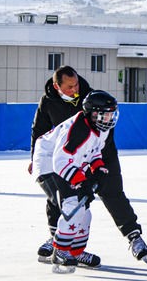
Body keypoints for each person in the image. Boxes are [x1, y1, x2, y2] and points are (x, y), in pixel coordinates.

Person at [29, 66, 147, 264]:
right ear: (56, 86)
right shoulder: (48, 101)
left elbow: (102, 134)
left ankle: (134, 236)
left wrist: (98, 166)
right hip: (64, 157)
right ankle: (59, 242)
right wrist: (34, 157)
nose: (75, 89)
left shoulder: (92, 99)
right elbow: (40, 130)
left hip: (98, 154)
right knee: (62, 198)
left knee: (112, 192)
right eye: (69, 87)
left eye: (76, 84)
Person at [32, 90, 118, 272]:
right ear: (93, 113)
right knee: (73, 205)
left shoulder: (100, 128)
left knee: (85, 212)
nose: (110, 118)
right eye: (106, 114)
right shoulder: (78, 130)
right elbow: (60, 161)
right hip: (48, 162)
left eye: (112, 113)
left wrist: (98, 168)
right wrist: (83, 181)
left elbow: (94, 150)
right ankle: (60, 251)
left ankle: (76, 252)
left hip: (68, 162)